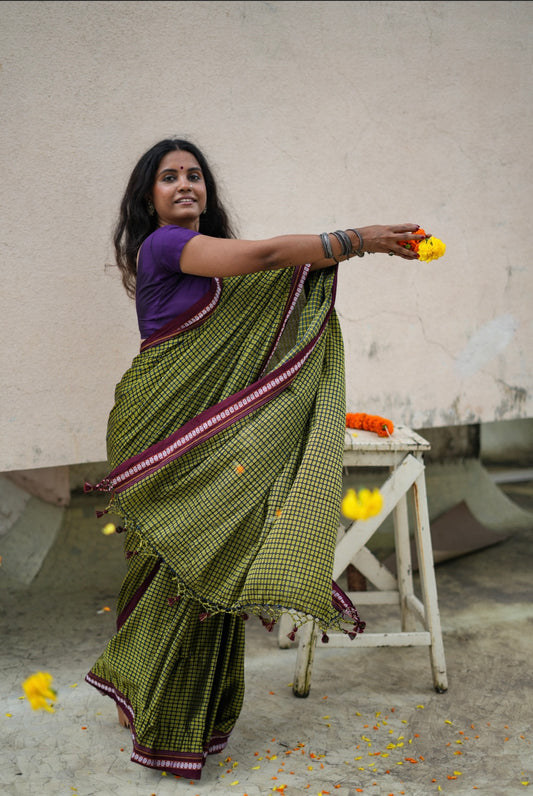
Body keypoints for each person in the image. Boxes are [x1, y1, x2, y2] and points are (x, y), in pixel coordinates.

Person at [85, 137, 425, 780]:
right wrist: (358, 239)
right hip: (170, 428)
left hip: (195, 433)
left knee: (187, 568)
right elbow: (268, 255)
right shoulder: (165, 246)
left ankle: (148, 695)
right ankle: (164, 713)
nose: (185, 184)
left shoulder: (207, 266)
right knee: (187, 569)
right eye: (168, 177)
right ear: (148, 198)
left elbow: (263, 283)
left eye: (194, 175)